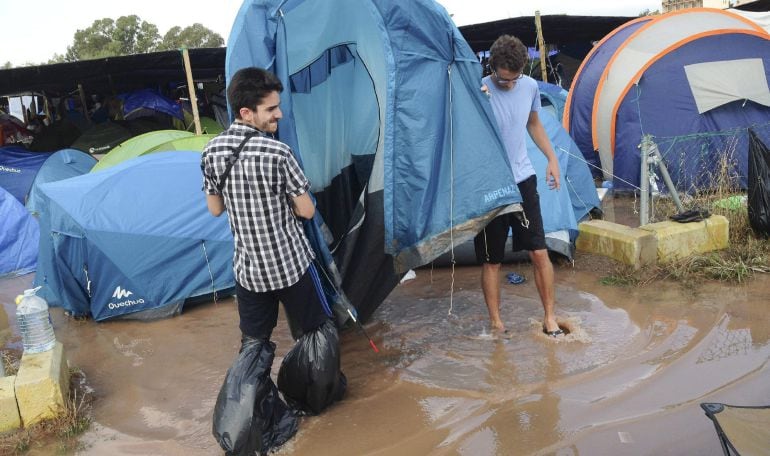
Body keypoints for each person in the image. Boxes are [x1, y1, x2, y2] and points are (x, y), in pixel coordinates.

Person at [201, 66, 328, 349]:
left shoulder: (211, 151)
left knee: (254, 343)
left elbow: (215, 209)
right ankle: (318, 391)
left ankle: (253, 392)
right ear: (247, 113)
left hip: (249, 270)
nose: (279, 114)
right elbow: (307, 211)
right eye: (271, 109)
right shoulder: (279, 152)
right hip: (291, 265)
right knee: (314, 334)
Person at [474, 35, 564, 337]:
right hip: (490, 185)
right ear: (493, 67)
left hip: (523, 180)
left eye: (515, 79)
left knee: (539, 251)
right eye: (504, 79)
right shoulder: (479, 88)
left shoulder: (529, 86)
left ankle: (550, 317)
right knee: (492, 260)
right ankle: (497, 323)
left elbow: (534, 123)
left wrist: (552, 158)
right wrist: (478, 97)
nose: (510, 84)